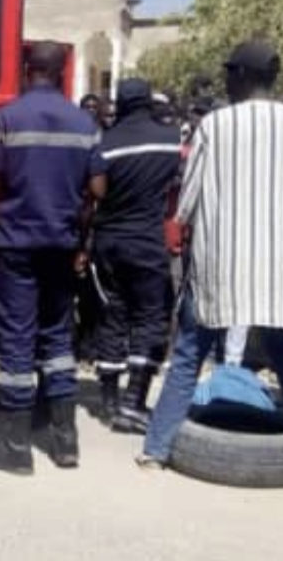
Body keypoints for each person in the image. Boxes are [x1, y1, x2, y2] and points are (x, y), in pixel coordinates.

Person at [139, 41, 283, 493]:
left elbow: (186, 203)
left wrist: (188, 219)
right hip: (277, 270)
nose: (225, 81)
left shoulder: (215, 124)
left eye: (229, 73)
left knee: (188, 356)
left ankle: (156, 450)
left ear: (242, 75)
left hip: (219, 267)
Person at [0, 41, 107, 475]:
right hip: (61, 247)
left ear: (28, 70)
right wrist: (81, 242)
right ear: (62, 72)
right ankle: (66, 443)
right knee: (57, 339)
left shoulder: (5, 117)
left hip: (15, 246)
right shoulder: (85, 123)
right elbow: (97, 192)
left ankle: (16, 446)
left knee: (16, 339)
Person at [90, 78, 182, 434]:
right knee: (149, 318)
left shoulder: (105, 143)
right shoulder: (170, 141)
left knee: (112, 315)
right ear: (147, 102)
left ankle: (109, 401)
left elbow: (94, 192)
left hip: (109, 242)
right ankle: (134, 402)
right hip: (146, 242)